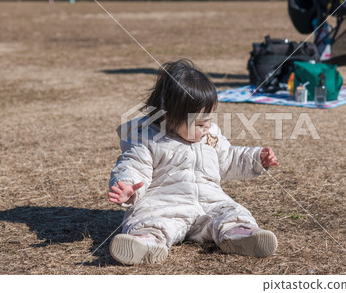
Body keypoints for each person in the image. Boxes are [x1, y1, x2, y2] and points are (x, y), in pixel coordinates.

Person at [108, 59, 279, 265]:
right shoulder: (148, 138)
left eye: (209, 119)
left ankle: (240, 235)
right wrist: (128, 188)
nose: (207, 126)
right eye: (200, 123)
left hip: (209, 203)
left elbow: (227, 158)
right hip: (164, 205)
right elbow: (133, 165)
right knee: (149, 221)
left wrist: (256, 158)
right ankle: (146, 243)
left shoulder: (210, 136)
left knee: (232, 212)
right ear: (170, 118)